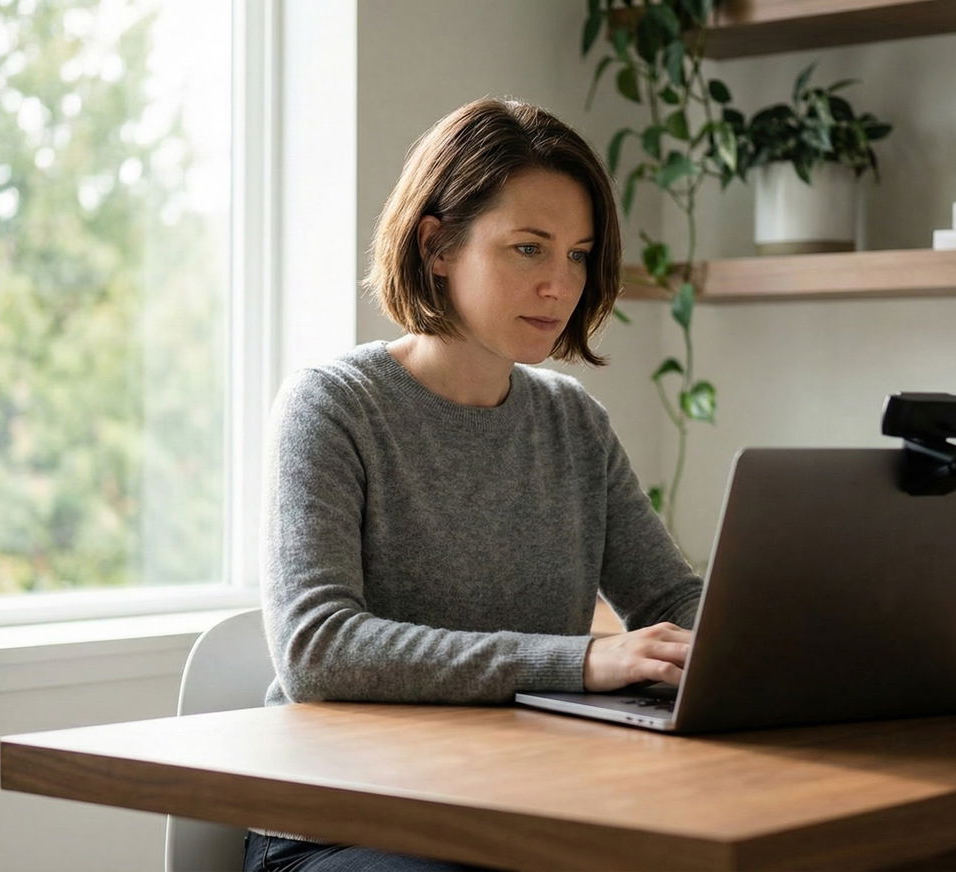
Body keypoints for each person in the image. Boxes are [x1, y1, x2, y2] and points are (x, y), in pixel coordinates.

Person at [248, 97, 703, 872]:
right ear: (437, 247)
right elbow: (317, 650)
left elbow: (669, 601)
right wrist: (579, 661)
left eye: (578, 255)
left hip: (519, 812)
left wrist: (774, 649)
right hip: (340, 826)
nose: (559, 284)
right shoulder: (332, 406)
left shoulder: (573, 422)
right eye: (529, 249)